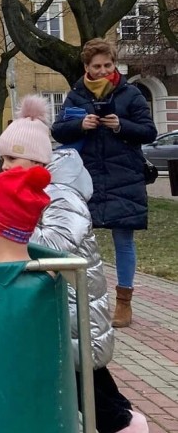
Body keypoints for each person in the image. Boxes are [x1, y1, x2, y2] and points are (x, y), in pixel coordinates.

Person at [0, 95, 156, 433]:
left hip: (76, 303)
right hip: (53, 303)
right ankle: (118, 430)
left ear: (37, 162)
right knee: (78, 375)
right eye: (3, 160)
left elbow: (56, 241)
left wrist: (0, 229)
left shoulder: (62, 194)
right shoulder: (26, 190)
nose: (5, 167)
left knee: (90, 379)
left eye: (13, 160)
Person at [52, 37, 157, 327]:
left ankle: (124, 303)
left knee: (124, 239)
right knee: (80, 239)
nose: (102, 71)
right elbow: (58, 130)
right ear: (86, 66)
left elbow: (149, 131)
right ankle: (80, 299)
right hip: (86, 178)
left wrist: (122, 126)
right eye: (96, 66)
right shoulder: (75, 95)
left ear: (114, 64)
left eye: (107, 65)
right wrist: (79, 125)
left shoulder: (131, 93)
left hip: (124, 175)